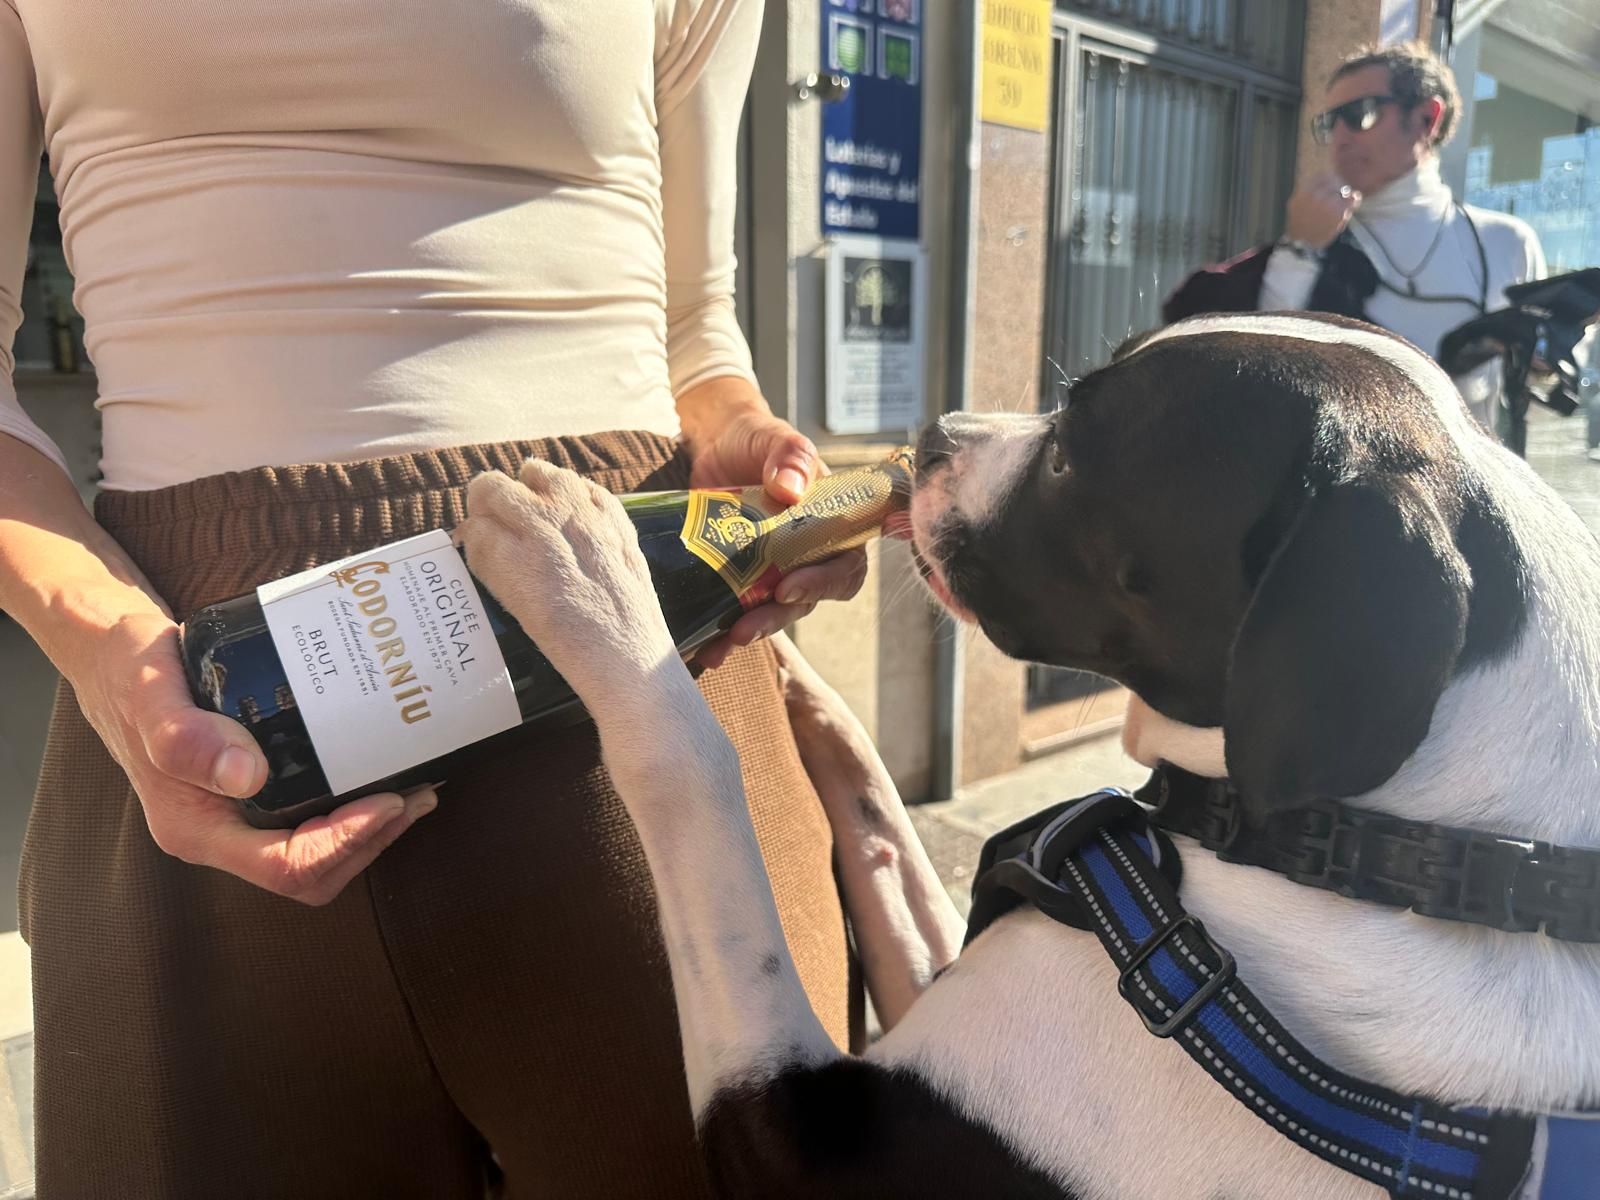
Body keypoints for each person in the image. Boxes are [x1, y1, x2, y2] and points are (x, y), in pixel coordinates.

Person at [0, 3, 865, 1195]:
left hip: (624, 659)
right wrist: (111, 653)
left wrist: (739, 439)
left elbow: (693, 331)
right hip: (199, 691)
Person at [1165, 41, 1546, 445]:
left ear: (1426, 119)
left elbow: (1540, 382)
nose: (1340, 138)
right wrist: (1299, 251)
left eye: (1360, 114)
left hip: (1466, 495)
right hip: (1344, 501)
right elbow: (1259, 380)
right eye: (1330, 122)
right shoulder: (1317, 240)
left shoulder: (1505, 243)